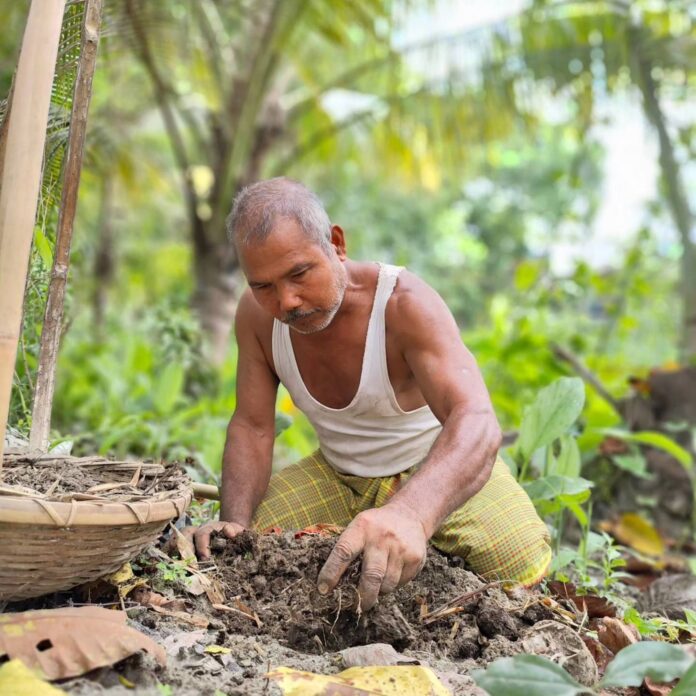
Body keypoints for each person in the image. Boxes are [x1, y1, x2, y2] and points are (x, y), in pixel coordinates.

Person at [187, 177, 551, 610]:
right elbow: (252, 426)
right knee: (243, 553)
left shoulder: (403, 304)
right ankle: (372, 530)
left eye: (299, 273)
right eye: (263, 286)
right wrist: (234, 521)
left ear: (336, 244)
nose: (286, 301)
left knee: (519, 560)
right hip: (338, 475)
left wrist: (411, 513)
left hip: (431, 470)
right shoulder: (257, 318)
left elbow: (476, 420)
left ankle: (409, 534)